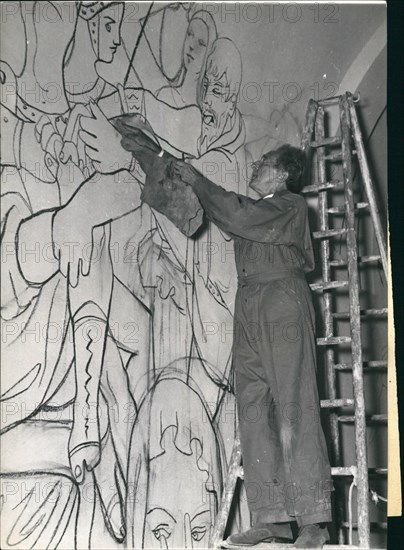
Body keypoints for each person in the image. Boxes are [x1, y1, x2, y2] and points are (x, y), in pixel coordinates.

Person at [115, 131, 334, 548]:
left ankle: (312, 521)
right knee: (252, 406)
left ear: (284, 174)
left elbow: (236, 213)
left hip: (282, 299)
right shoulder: (254, 209)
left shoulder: (290, 206)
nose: (255, 168)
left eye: (263, 163)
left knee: (293, 405)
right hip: (250, 301)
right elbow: (209, 208)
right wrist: (160, 161)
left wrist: (198, 178)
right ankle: (271, 517)